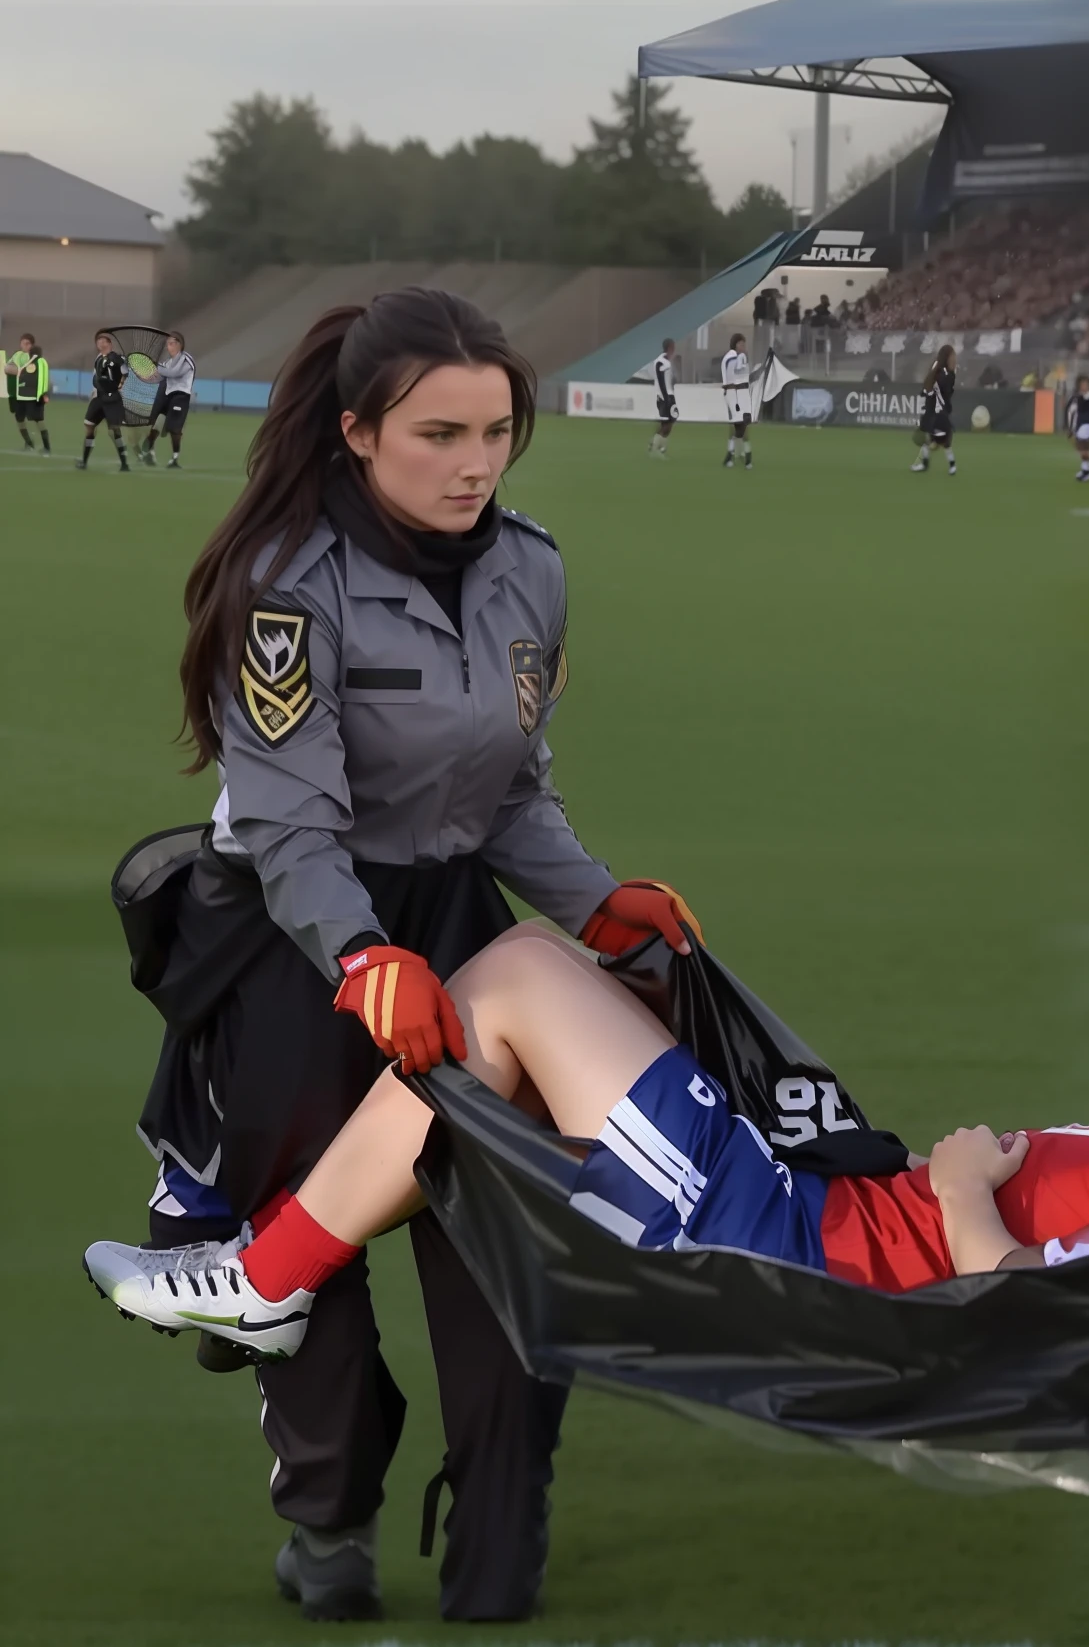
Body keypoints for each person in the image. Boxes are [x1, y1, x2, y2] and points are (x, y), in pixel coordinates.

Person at [123, 288, 703, 1624]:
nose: (476, 462)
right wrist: (363, 958)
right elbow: (290, 824)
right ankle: (328, 1520)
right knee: (310, 1237)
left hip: (459, 923)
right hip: (293, 931)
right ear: (357, 433)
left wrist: (598, 903)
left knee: (501, 1238)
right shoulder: (286, 591)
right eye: (439, 432)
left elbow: (510, 797)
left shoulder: (535, 571)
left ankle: (499, 1534)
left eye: (497, 430)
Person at [88, 928, 1089, 1352]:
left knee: (507, 984)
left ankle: (266, 1276)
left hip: (790, 1251)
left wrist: (966, 1186)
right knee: (531, 1010)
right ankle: (275, 1264)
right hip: (815, 1216)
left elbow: (1030, 1319)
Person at [139, 331, 197, 469]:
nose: (169, 347)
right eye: (168, 344)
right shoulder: (167, 362)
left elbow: (174, 373)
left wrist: (156, 366)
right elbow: (159, 375)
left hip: (180, 395)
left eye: (171, 343)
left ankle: (174, 458)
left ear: (179, 344)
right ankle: (149, 452)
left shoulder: (186, 359)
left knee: (174, 428)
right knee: (155, 424)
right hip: (167, 394)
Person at [77, 330, 130, 471]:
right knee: (89, 426)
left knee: (114, 431)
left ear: (109, 344)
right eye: (98, 341)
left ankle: (124, 463)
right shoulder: (99, 358)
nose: (100, 343)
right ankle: (84, 461)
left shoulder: (118, 358)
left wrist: (120, 384)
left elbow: (125, 372)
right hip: (99, 397)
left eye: (103, 341)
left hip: (112, 398)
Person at [912, 344, 957, 475]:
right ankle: (946, 465)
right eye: (952, 356)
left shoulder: (948, 374)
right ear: (946, 358)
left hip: (940, 411)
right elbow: (928, 390)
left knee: (942, 440)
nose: (954, 359)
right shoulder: (940, 374)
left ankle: (950, 465)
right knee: (936, 440)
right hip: (934, 411)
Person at [7, 332, 51, 454]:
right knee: (19, 418)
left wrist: (17, 371)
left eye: (27, 344)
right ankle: (29, 443)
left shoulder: (35, 358)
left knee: (37, 419)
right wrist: (17, 371)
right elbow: (7, 368)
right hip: (17, 393)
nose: (25, 346)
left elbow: (27, 373)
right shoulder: (17, 355)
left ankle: (47, 446)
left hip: (31, 394)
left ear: (32, 345)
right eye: (23, 343)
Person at [719, 331, 753, 469]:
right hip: (735, 394)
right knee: (741, 425)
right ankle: (746, 456)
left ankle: (732, 455)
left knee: (736, 426)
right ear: (736, 344)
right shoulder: (734, 358)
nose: (744, 346)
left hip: (732, 393)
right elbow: (735, 378)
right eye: (741, 343)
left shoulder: (731, 357)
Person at [648, 337, 677, 458]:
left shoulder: (665, 361)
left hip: (668, 396)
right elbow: (660, 381)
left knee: (670, 420)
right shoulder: (662, 362)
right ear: (670, 347)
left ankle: (656, 444)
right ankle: (656, 449)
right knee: (667, 423)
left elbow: (666, 380)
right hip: (665, 397)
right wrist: (666, 397)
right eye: (673, 347)